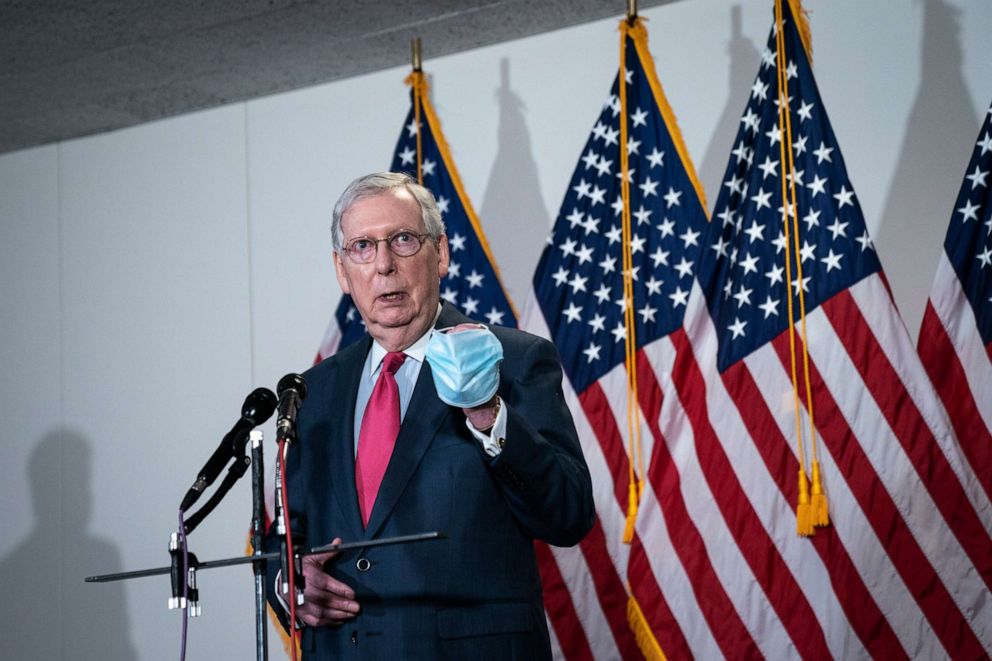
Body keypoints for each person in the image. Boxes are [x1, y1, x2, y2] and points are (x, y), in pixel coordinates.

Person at [266, 171, 594, 660]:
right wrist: (287, 581)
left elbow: (568, 515)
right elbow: (287, 530)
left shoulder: (513, 359)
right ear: (342, 270)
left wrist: (488, 414)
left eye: (402, 240)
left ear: (439, 253)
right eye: (362, 247)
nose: (383, 265)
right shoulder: (312, 390)